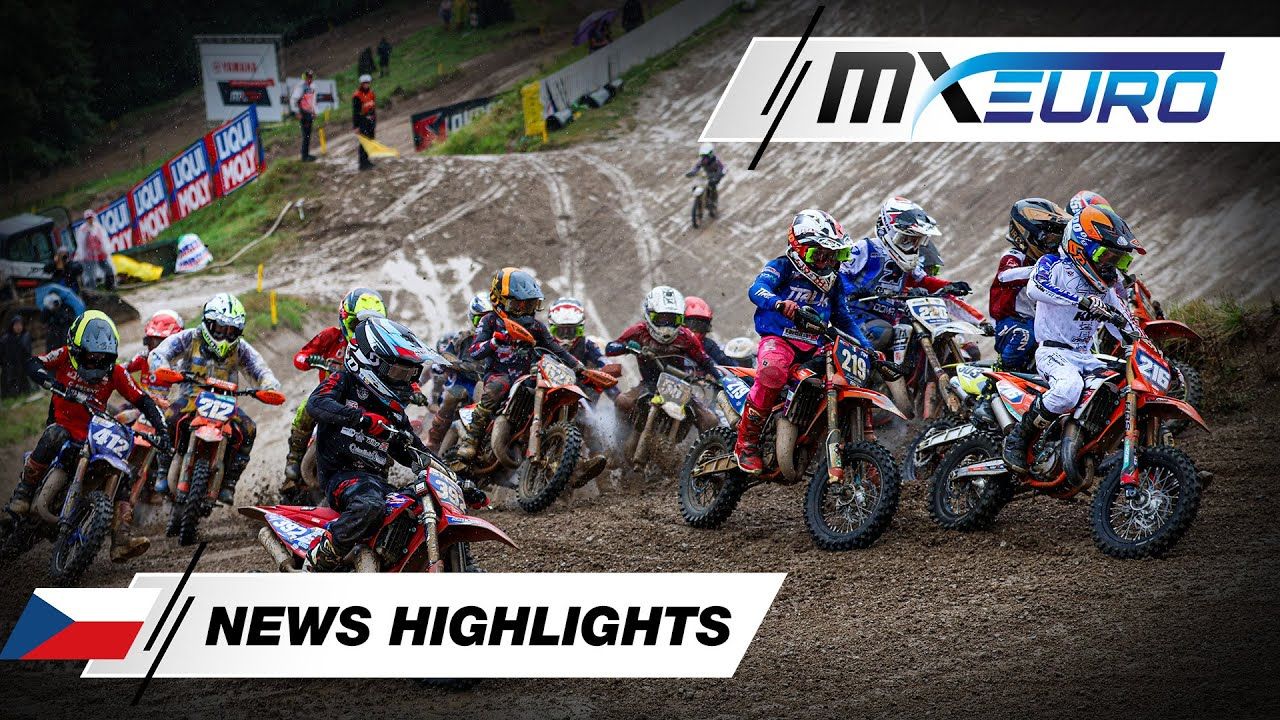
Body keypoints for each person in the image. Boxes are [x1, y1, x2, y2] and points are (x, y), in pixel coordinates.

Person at [304, 317, 486, 571]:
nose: (404, 380)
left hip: (376, 483)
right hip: (343, 477)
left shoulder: (394, 413)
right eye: (399, 372)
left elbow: (418, 453)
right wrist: (361, 419)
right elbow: (316, 404)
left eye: (410, 374)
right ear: (370, 361)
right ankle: (323, 556)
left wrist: (458, 482)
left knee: (423, 503)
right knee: (370, 506)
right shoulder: (345, 381)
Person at [4, 311, 169, 561]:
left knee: (124, 472)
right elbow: (33, 363)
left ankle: (121, 537)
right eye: (91, 356)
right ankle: (24, 493)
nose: (96, 362)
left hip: (93, 434)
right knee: (54, 434)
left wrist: (162, 429)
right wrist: (53, 384)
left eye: (102, 357)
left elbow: (142, 399)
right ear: (76, 348)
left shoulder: (115, 372)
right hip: (63, 428)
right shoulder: (64, 356)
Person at [1002, 205, 1142, 473]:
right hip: (1053, 353)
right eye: (1105, 256)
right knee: (1068, 390)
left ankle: (1093, 445)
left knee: (1122, 381)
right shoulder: (1052, 265)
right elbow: (1035, 288)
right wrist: (1080, 301)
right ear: (1081, 246)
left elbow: (1125, 323)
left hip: (1085, 356)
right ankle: (1018, 438)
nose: (1111, 265)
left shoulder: (1105, 289)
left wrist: (1148, 349)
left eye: (1119, 260)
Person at [736, 209, 875, 473]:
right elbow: (757, 289)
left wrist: (868, 349)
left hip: (816, 344)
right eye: (818, 255)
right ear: (799, 249)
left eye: (833, 255)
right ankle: (747, 444)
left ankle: (856, 447)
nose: (825, 262)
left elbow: (843, 318)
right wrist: (778, 303)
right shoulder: (783, 266)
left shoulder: (833, 282)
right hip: (780, 339)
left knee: (851, 374)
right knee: (773, 371)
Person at [149, 293, 281, 506]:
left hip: (226, 404)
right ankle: (163, 470)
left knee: (248, 429)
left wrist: (269, 387)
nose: (225, 335)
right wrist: (163, 368)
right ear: (208, 323)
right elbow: (159, 353)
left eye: (231, 331)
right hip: (191, 398)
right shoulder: (190, 338)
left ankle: (229, 482)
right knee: (168, 419)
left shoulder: (240, 348)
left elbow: (260, 369)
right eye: (220, 328)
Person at [454, 268, 588, 462]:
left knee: (555, 392)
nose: (525, 310)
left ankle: (567, 453)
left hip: (528, 375)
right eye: (518, 305)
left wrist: (577, 366)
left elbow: (555, 348)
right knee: (497, 388)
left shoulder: (536, 326)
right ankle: (471, 440)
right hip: (499, 373)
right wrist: (494, 342)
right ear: (499, 300)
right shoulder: (490, 321)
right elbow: (475, 351)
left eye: (530, 304)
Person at [283, 288, 387, 490]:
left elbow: (399, 366)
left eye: (370, 325)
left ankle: (380, 473)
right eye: (357, 324)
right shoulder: (331, 336)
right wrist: (312, 360)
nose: (362, 330)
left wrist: (414, 389)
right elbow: (300, 357)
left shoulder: (382, 347)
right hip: (328, 398)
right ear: (345, 319)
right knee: (305, 408)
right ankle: (294, 459)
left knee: (387, 425)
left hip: (365, 403)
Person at [841, 196, 972, 353]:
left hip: (891, 318)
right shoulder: (866, 248)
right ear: (888, 229)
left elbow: (923, 280)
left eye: (916, 241)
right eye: (906, 239)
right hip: (857, 314)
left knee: (916, 336)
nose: (911, 246)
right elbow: (840, 273)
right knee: (881, 332)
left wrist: (949, 286)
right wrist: (853, 290)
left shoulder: (911, 261)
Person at [605, 286, 723, 434]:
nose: (667, 325)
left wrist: (720, 379)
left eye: (673, 319)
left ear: (681, 319)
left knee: (710, 420)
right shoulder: (639, 331)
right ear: (649, 314)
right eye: (662, 319)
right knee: (622, 401)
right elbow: (610, 348)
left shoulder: (686, 336)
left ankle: (702, 448)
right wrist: (627, 347)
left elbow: (704, 360)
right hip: (648, 384)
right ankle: (619, 437)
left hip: (679, 387)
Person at [988, 199, 1070, 372]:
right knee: (1025, 336)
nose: (1054, 244)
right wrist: (1041, 270)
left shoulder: (1055, 259)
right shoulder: (1014, 256)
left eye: (1057, 238)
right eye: (1049, 238)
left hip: (1040, 320)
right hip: (1011, 320)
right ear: (1028, 234)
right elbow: (1005, 276)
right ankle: (1002, 370)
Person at [547, 296, 609, 480]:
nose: (566, 336)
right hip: (547, 390)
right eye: (561, 331)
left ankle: (600, 468)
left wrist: (605, 374)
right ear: (552, 327)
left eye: (571, 331)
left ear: (580, 328)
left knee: (589, 420)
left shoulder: (588, 345)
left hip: (578, 394)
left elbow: (604, 363)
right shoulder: (544, 342)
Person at [424, 293, 488, 451]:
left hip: (488, 384)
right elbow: (446, 353)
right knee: (453, 395)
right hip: (463, 383)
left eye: (488, 320)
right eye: (479, 320)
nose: (483, 325)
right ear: (471, 318)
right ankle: (434, 439)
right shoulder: (464, 336)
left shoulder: (500, 340)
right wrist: (458, 364)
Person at [682, 296, 734, 367]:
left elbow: (729, 364)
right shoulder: (673, 342)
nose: (696, 331)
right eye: (693, 325)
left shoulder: (708, 344)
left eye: (702, 326)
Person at [75, 209, 116, 291]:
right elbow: (81, 243)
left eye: (91, 217)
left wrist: (106, 249)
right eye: (88, 218)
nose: (90, 220)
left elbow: (104, 239)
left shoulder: (98, 227)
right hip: (89, 256)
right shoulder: (83, 229)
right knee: (90, 275)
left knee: (108, 269)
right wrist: (82, 255)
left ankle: (110, 286)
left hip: (100, 253)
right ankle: (91, 291)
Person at [684, 143, 726, 214]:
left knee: (712, 187)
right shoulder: (702, 161)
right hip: (706, 176)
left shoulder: (716, 160)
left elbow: (723, 168)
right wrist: (692, 173)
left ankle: (713, 202)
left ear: (711, 154)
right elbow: (696, 167)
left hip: (715, 177)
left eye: (706, 156)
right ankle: (699, 201)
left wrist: (720, 175)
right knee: (696, 186)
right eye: (703, 156)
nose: (705, 158)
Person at [1, 315, 32, 397]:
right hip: (10, 366)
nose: (18, 327)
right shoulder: (5, 339)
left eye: (20, 325)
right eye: (16, 325)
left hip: (22, 365)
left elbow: (28, 352)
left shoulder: (26, 336)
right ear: (12, 326)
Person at [291, 69, 318, 162]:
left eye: (311, 77)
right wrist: (297, 112)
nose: (310, 79)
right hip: (303, 113)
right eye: (308, 77)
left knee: (308, 135)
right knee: (305, 135)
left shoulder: (311, 87)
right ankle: (304, 156)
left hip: (309, 113)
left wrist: (314, 111)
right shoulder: (300, 87)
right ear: (305, 77)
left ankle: (306, 154)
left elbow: (312, 100)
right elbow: (293, 99)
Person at [352, 75, 378, 171]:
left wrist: (374, 121)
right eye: (364, 83)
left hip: (371, 119)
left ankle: (367, 160)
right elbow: (355, 112)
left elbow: (373, 107)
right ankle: (362, 163)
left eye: (368, 83)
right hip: (362, 120)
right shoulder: (357, 96)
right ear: (361, 84)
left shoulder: (371, 93)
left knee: (370, 140)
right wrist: (356, 126)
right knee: (364, 141)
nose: (366, 84)